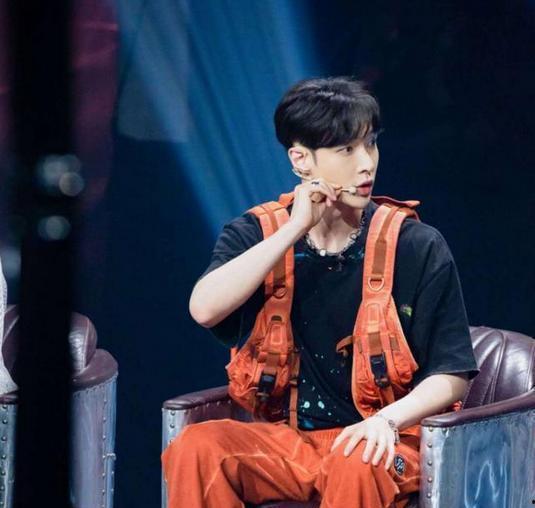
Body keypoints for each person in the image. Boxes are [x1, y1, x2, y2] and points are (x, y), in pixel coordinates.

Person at [162, 76, 480, 508]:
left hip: (387, 440)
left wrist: (386, 421)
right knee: (197, 448)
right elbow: (204, 309)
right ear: (301, 159)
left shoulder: (416, 245)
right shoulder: (258, 234)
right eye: (346, 150)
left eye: (371, 144)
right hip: (294, 443)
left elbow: (452, 375)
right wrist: (294, 228)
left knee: (357, 459)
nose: (366, 164)